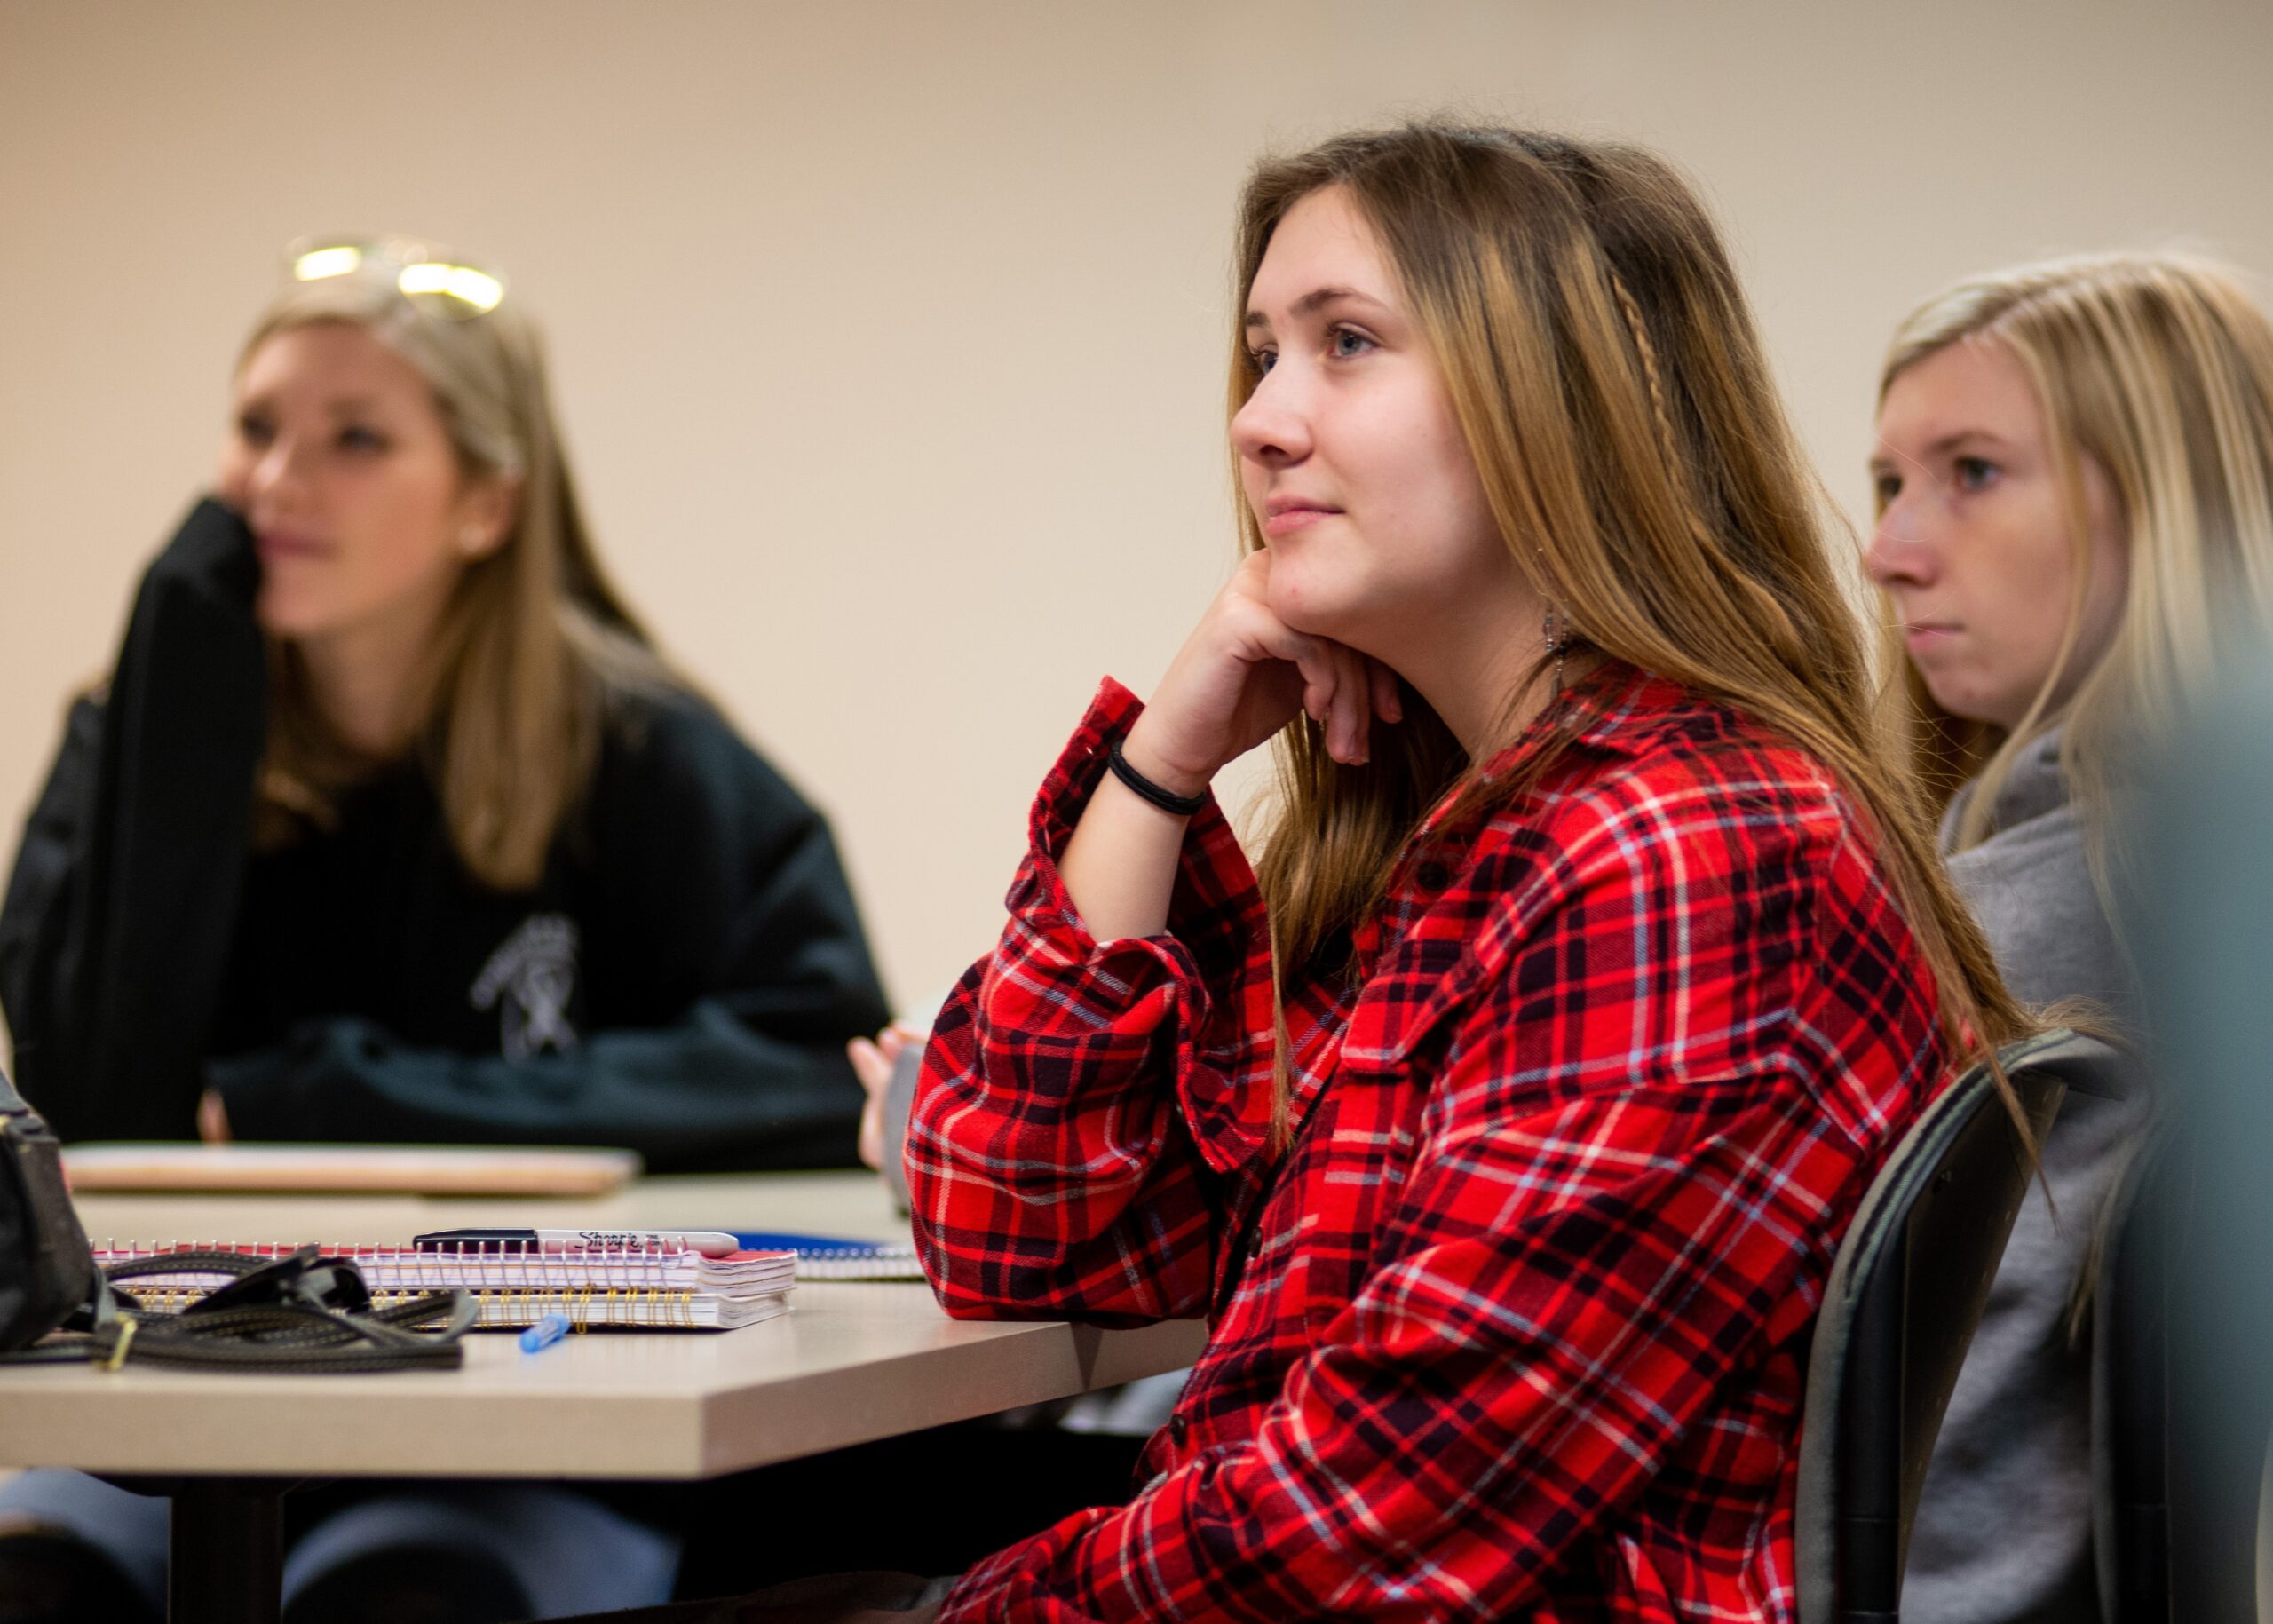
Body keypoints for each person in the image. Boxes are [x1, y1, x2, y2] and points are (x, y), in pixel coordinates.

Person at [624, 121, 2032, 1624]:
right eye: (1261, 353)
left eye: (1346, 343)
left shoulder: (1679, 851)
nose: (1260, 418)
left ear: (1567, 406)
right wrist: (1161, 762)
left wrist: (950, 1614)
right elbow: (1004, 1232)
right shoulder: (1470, 836)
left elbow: (1366, 1543)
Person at [0, 237, 891, 1624]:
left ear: (486, 503)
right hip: (190, 1387)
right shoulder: (151, 728)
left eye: (354, 438)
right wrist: (178, 668)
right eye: (253, 429)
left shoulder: (639, 748)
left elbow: (806, 1055)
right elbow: (93, 1098)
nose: (271, 484)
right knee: (42, 1587)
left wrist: (320, 1098)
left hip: (524, 1397)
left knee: (401, 1598)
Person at [1865, 253, 2273, 1623]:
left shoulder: (2055, 902)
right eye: (1891, 483)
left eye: (1972, 471)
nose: (1891, 550)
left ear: (2177, 507)